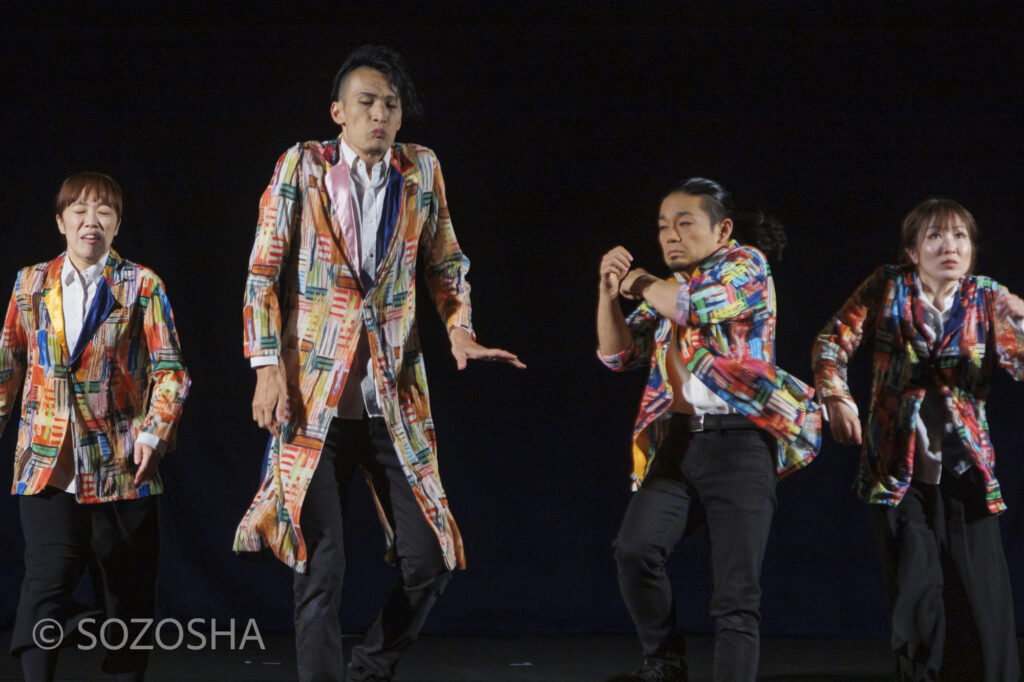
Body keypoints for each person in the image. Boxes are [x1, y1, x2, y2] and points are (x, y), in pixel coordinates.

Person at [232, 45, 524, 682]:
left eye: (390, 104)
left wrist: (459, 327)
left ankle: (367, 670)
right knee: (320, 566)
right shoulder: (301, 167)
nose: (381, 114)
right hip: (314, 401)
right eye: (366, 102)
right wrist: (265, 367)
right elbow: (262, 272)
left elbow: (446, 262)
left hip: (392, 399)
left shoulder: (420, 170)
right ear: (338, 111)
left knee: (433, 559)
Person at [597, 178, 821, 682]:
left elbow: (693, 306)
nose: (669, 236)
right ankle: (665, 661)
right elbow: (616, 355)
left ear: (722, 229)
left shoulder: (746, 267)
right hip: (679, 443)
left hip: (741, 444)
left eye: (683, 224)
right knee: (635, 550)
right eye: (662, 227)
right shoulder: (668, 290)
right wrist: (609, 292)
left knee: (735, 596)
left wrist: (638, 282)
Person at [812, 198, 1024, 681]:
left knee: (984, 605)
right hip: (897, 471)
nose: (949, 246)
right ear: (912, 250)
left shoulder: (987, 295)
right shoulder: (887, 287)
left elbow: (1018, 364)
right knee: (918, 596)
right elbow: (832, 341)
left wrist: (1021, 322)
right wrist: (835, 396)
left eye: (960, 237)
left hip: (967, 471)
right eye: (934, 236)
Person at [0, 172, 190, 682]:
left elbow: (171, 370)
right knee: (46, 580)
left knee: (126, 599)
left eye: (103, 212)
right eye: (79, 211)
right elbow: (7, 368)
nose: (91, 221)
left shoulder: (142, 285)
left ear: (118, 224)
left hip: (121, 465)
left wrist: (153, 432)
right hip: (48, 463)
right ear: (60, 222)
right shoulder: (30, 283)